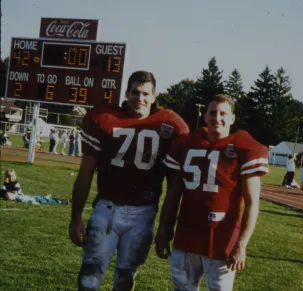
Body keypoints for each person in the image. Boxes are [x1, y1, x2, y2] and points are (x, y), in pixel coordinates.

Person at [69, 71, 189, 291]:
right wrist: (76, 217)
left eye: (145, 94)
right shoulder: (105, 118)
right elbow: (85, 172)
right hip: (107, 207)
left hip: (143, 213)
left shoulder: (170, 125)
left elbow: (175, 188)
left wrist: (165, 229)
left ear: (154, 97)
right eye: (135, 92)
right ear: (126, 93)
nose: (139, 98)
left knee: (125, 279)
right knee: (89, 275)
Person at [155, 94, 269, 291]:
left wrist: (241, 245)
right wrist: (164, 230)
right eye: (213, 113)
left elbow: (252, 204)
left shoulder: (244, 146)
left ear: (232, 118)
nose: (217, 118)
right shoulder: (188, 143)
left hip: (221, 242)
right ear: (205, 116)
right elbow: (173, 194)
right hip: (186, 237)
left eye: (223, 113)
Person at [0, 168, 69, 205]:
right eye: (9, 176)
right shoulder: (6, 183)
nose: (10, 178)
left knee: (41, 199)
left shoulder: (15, 183)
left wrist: (10, 193)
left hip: (20, 195)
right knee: (42, 199)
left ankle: (59, 201)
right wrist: (6, 193)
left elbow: (18, 191)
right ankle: (59, 201)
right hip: (28, 197)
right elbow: (3, 191)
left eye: (11, 176)